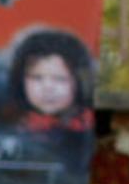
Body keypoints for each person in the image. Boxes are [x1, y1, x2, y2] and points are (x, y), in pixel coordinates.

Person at [6, 29, 95, 174]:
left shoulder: (88, 130)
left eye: (60, 79)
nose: (48, 88)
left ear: (80, 82)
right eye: (36, 77)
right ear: (20, 81)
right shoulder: (12, 123)